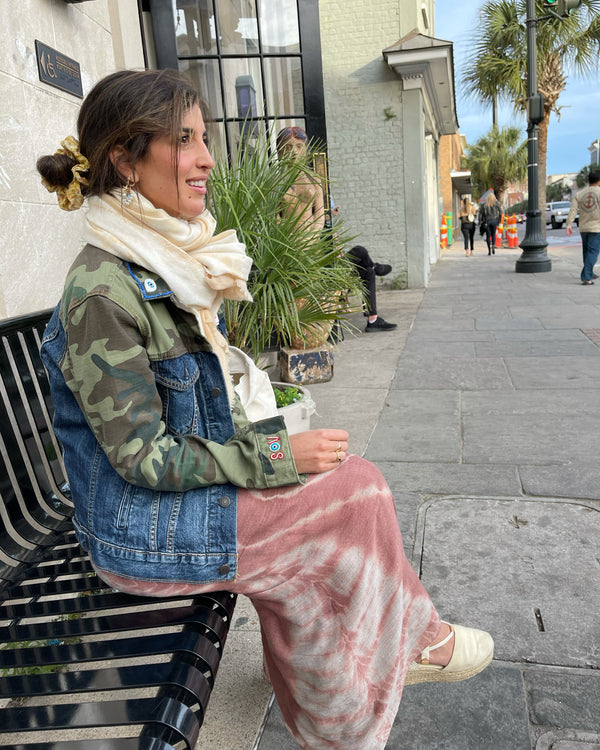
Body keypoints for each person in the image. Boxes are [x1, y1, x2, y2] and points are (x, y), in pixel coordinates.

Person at [37, 69, 493, 750]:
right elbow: (142, 457)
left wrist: (273, 451)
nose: (207, 158)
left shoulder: (162, 257)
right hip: (137, 529)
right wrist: (276, 456)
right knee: (354, 493)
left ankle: (344, 705)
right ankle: (410, 649)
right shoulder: (103, 291)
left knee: (317, 537)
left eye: (205, 138)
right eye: (184, 140)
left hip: (167, 505)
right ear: (125, 163)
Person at [276, 125, 325, 241]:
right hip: (288, 242)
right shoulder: (276, 182)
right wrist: (288, 239)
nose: (294, 152)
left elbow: (320, 214)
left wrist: (313, 236)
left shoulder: (314, 180)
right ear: (279, 151)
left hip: (311, 240)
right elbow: (273, 216)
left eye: (299, 146)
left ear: (306, 150)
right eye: (288, 147)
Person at [566, 171, 600, 285]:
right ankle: (586, 277)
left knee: (587, 251)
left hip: (584, 227)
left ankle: (589, 272)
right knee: (593, 252)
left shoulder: (579, 194)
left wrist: (569, 224)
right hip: (596, 227)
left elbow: (573, 210)